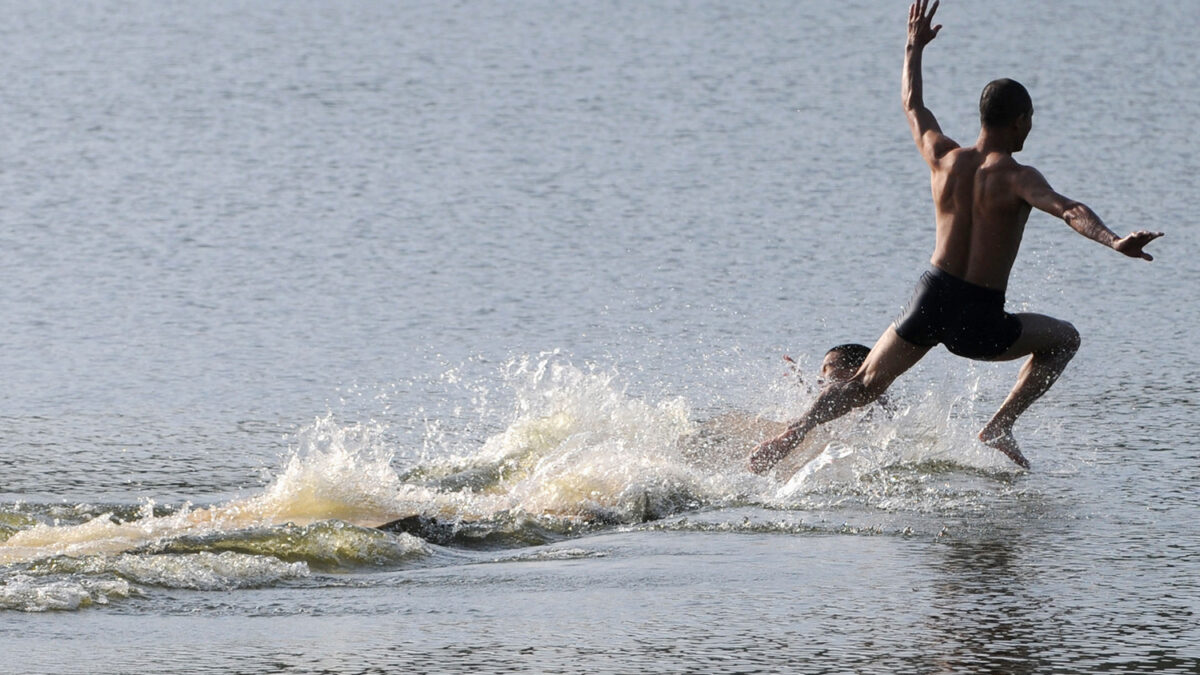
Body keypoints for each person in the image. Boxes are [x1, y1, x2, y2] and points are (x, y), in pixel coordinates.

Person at [750, 0, 1162, 473]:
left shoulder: (943, 157)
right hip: (978, 316)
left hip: (931, 293)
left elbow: (912, 104)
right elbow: (1069, 210)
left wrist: (913, 48)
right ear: (1018, 121)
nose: (1031, 127)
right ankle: (1000, 426)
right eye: (1030, 119)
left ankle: (789, 437)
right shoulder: (1018, 176)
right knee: (1065, 339)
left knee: (863, 385)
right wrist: (1113, 241)